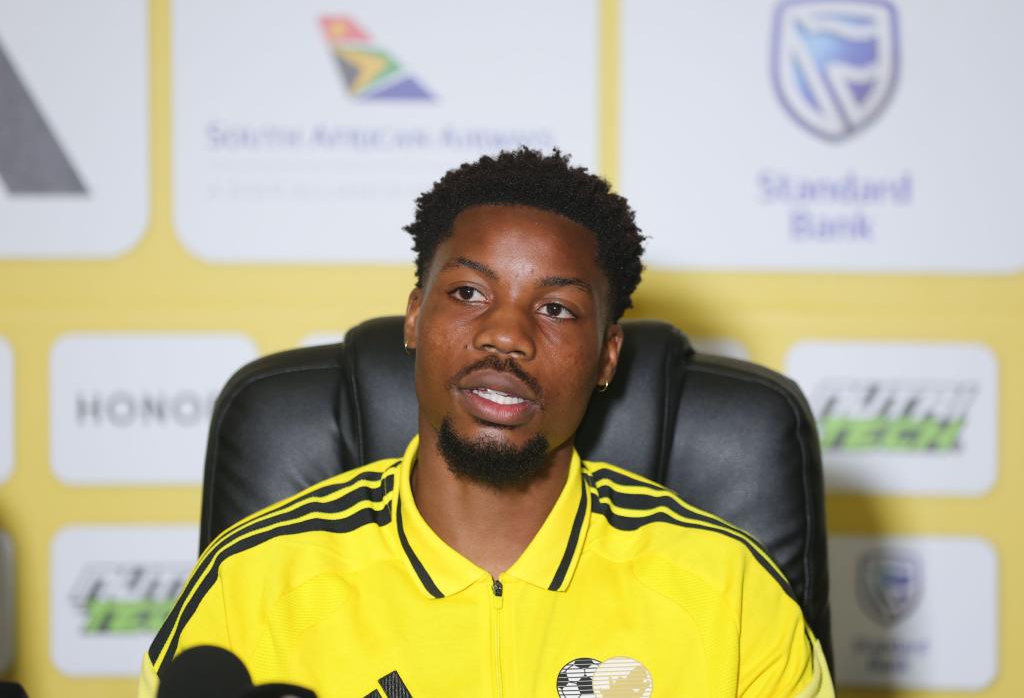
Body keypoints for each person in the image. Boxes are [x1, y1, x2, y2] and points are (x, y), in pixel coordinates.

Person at [139, 148, 834, 697]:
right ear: (416, 317)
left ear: (606, 357)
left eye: (556, 309)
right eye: (469, 292)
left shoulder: (731, 592)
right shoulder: (253, 582)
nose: (506, 335)